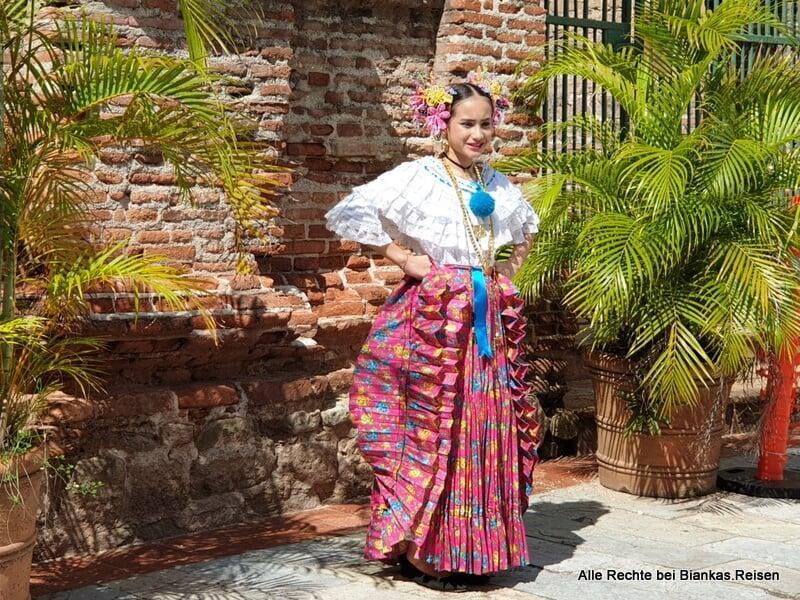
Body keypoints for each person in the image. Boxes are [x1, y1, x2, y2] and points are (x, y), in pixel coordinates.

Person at [324, 72, 542, 592]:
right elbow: (353, 209)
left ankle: (473, 549)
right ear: (442, 123)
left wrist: (503, 275)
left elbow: (526, 232)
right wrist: (404, 257)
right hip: (434, 323)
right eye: (467, 124)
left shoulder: (497, 184)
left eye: (486, 125)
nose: (478, 135)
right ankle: (421, 551)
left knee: (482, 430)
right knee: (434, 429)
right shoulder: (420, 176)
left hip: (485, 324)